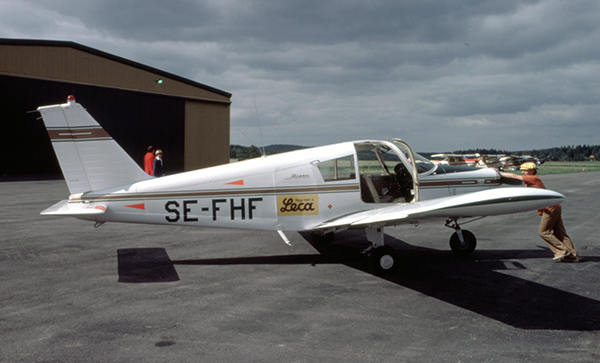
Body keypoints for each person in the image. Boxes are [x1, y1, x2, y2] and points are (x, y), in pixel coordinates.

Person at [495, 162, 578, 262]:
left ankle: (562, 251)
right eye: (522, 170)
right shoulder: (530, 181)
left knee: (543, 232)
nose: (523, 172)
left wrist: (499, 172)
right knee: (561, 233)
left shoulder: (533, 178)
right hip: (555, 207)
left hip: (550, 208)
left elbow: (515, 176)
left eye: (525, 170)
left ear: (532, 171)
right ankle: (572, 256)